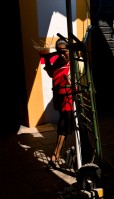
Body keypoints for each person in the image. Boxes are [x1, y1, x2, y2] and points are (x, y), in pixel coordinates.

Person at [42, 38, 74, 169]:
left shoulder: (75, 64)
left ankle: (55, 154)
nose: (61, 55)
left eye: (64, 52)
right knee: (65, 126)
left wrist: (70, 83)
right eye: (59, 52)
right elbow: (51, 74)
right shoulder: (58, 61)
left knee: (64, 126)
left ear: (70, 50)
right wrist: (48, 59)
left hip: (69, 99)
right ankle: (57, 154)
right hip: (59, 98)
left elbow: (81, 83)